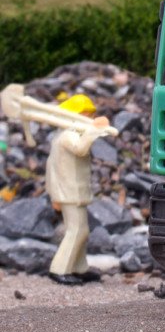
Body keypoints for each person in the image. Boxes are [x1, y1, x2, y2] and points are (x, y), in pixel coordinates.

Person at [46, 96, 114, 286]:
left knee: (81, 231)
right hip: (69, 192)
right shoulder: (68, 135)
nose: (91, 117)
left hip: (75, 190)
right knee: (76, 231)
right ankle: (60, 269)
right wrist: (94, 130)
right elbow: (80, 149)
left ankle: (78, 267)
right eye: (87, 114)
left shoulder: (70, 133)